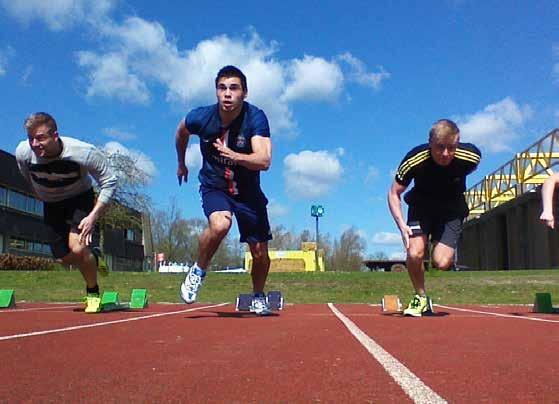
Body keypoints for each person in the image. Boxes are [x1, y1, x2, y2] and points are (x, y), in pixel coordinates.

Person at [175, 65, 273, 315]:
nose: (227, 94)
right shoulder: (201, 117)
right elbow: (181, 132)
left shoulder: (255, 118)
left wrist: (235, 156)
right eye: (222, 88)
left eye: (234, 88)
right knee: (220, 224)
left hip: (248, 192)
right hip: (215, 186)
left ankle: (258, 295)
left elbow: (264, 160)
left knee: (260, 252)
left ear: (244, 93)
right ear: (216, 92)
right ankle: (198, 270)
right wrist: (181, 163)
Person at [16, 112, 117, 313]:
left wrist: (93, 215)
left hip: (79, 198)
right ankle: (95, 257)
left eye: (41, 138)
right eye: (31, 139)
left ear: (55, 135)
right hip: (51, 203)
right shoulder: (23, 152)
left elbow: (110, 181)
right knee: (63, 259)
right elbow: (26, 175)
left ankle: (93, 293)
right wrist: (37, 192)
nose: (35, 144)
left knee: (78, 248)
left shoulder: (83, 152)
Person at [388, 119, 481, 316]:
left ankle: (439, 247)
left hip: (451, 210)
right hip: (421, 208)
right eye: (440, 148)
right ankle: (420, 297)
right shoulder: (415, 159)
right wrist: (401, 225)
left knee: (442, 262)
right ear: (430, 142)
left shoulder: (471, 156)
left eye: (451, 148)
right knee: (414, 253)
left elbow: (467, 166)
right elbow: (394, 192)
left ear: (458, 142)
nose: (446, 154)